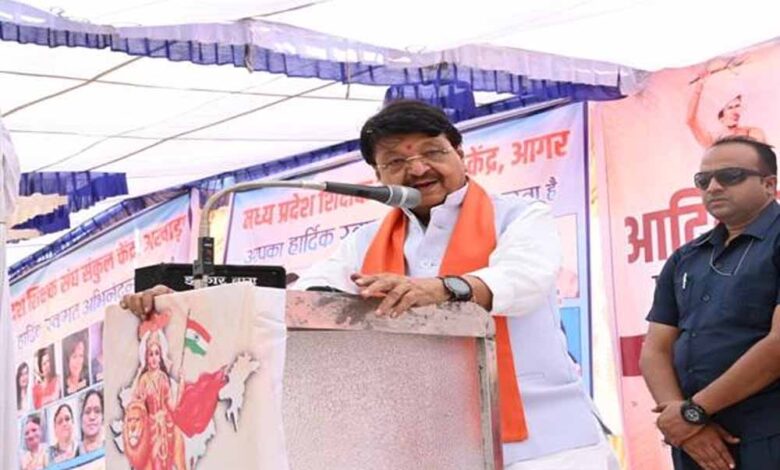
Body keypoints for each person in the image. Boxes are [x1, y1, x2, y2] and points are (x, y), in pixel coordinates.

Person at [122, 99, 616, 469]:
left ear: (462, 155)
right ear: (379, 177)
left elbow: (523, 279)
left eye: (433, 151)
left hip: (549, 444)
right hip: (437, 447)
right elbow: (301, 300)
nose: (418, 168)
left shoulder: (520, 216)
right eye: (396, 162)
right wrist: (188, 304)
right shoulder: (364, 245)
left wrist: (441, 289)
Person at [641, 135, 780, 470]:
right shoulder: (685, 257)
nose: (714, 187)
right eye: (703, 180)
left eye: (730, 176)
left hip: (769, 432)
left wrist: (693, 412)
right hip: (697, 442)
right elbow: (655, 349)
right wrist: (684, 423)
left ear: (769, 184)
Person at [131, 328, 186, 469]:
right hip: (151, 428)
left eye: (157, 353)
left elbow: (172, 406)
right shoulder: (143, 380)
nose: (154, 358)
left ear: (161, 356)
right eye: (151, 354)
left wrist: (181, 386)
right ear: (146, 358)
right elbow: (136, 404)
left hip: (166, 427)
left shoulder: (163, 378)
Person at [687, 70, 766, 148]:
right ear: (721, 117)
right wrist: (699, 87)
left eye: (737, 106)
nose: (735, 111)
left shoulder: (752, 132)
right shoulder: (713, 139)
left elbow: (758, 153)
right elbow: (691, 120)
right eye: (730, 108)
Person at [78, 389, 105, 454]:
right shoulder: (73, 455)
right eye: (87, 412)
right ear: (81, 417)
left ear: (102, 417)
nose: (92, 417)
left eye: (97, 411)